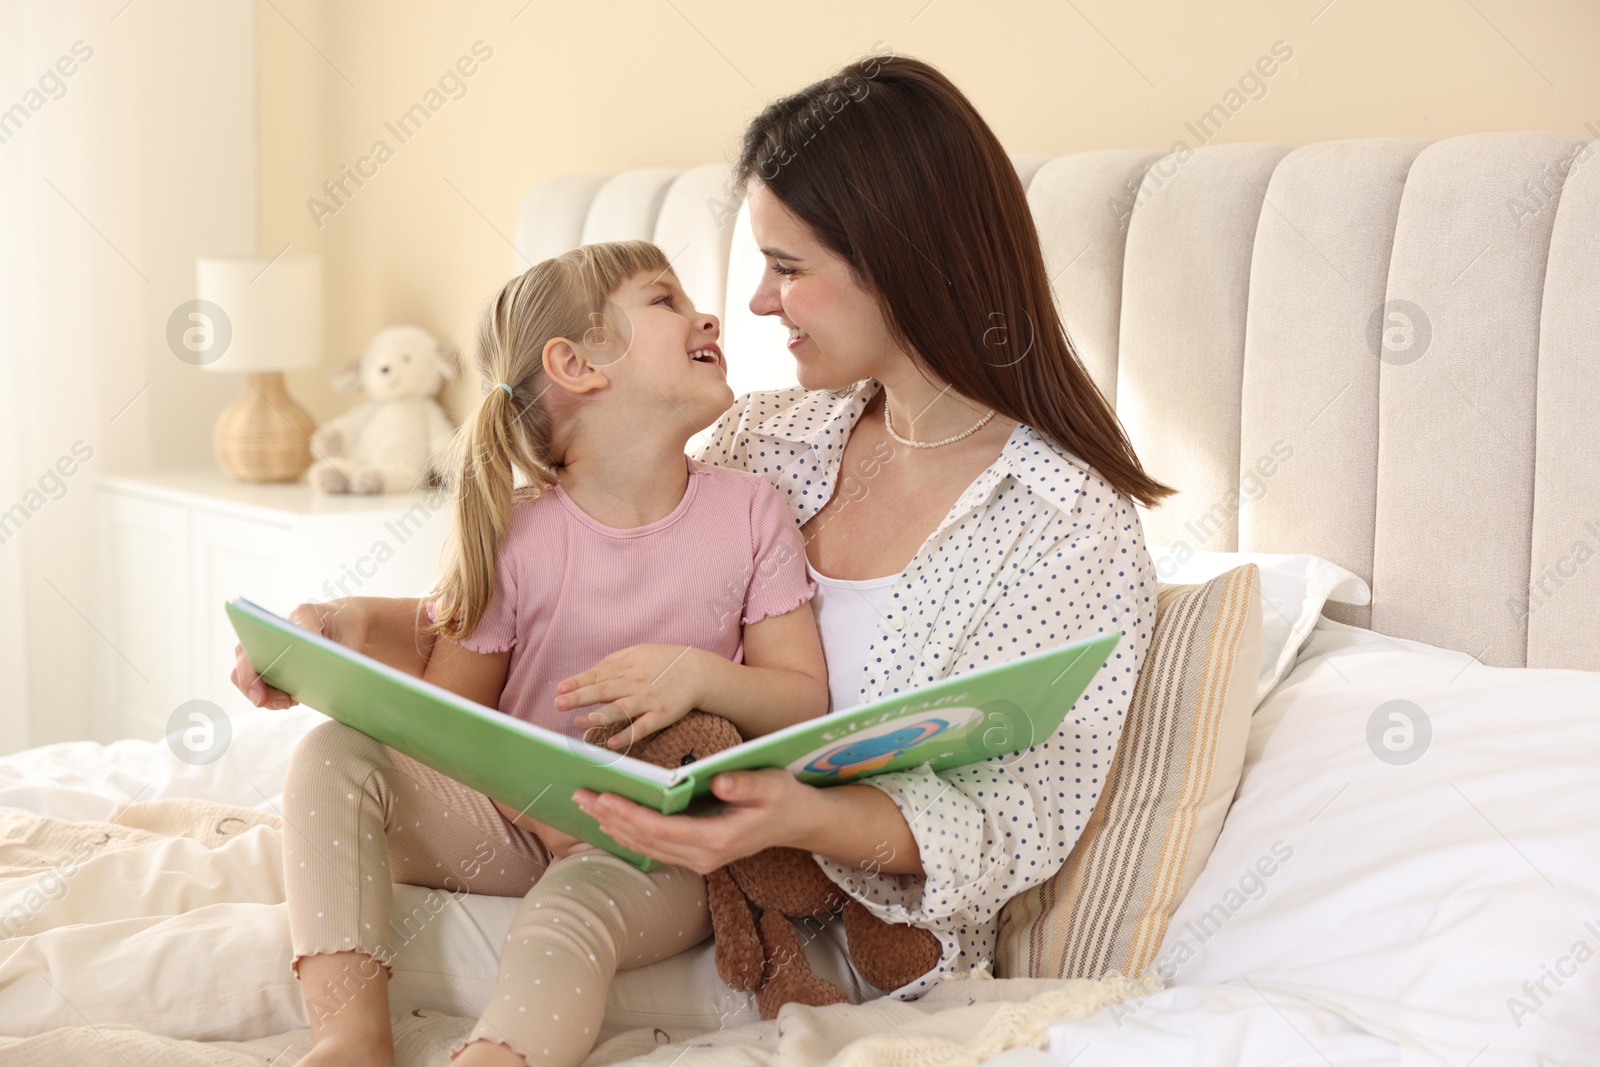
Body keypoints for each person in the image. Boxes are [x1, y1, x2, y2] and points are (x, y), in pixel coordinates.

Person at [234, 51, 1173, 1050]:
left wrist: (786, 818)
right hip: (588, 821)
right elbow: (527, 602)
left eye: (788, 266)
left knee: (561, 919)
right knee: (332, 765)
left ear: (895, 256)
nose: (756, 304)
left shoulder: (1068, 522)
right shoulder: (767, 439)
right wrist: (344, 630)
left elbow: (1012, 821)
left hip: (800, 919)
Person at [265, 239, 830, 1067]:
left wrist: (700, 675)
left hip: (656, 844)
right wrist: (535, 808)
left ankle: (500, 1056)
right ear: (575, 364)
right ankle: (351, 1040)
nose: (708, 314)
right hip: (512, 821)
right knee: (329, 755)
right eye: (665, 300)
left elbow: (803, 697)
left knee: (573, 905)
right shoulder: (521, 535)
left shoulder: (750, 513)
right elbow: (450, 726)